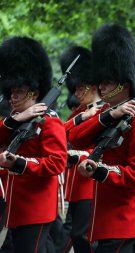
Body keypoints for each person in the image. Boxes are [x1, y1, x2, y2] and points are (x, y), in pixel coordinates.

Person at [68, 24, 135, 253]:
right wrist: (107, 116)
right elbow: (75, 138)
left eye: (107, 82)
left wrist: (100, 170)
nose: (101, 87)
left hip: (121, 219)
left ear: (124, 85)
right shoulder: (106, 115)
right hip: (103, 219)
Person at [0, 36, 67, 252]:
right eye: (11, 92)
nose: (12, 97)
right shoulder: (15, 120)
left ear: (35, 93)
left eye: (18, 91)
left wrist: (19, 163)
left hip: (36, 209)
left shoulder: (49, 122)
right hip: (17, 207)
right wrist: (16, 119)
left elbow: (57, 163)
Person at [60, 45, 102, 253]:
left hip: (91, 182)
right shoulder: (79, 112)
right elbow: (60, 131)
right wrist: (80, 117)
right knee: (76, 236)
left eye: (80, 88)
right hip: (75, 183)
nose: (76, 93)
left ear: (93, 87)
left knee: (84, 236)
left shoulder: (106, 112)